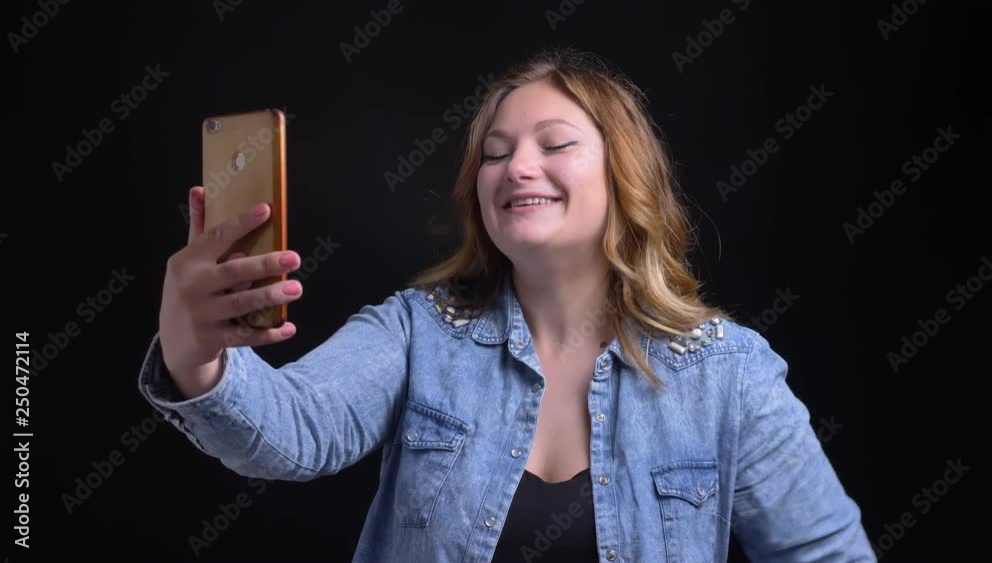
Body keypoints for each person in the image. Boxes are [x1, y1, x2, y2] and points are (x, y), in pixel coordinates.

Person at [138, 48, 877, 562]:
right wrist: (195, 355)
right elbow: (291, 431)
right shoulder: (417, 331)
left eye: (554, 144)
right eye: (495, 152)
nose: (517, 165)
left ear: (626, 176)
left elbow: (827, 554)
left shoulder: (729, 373)